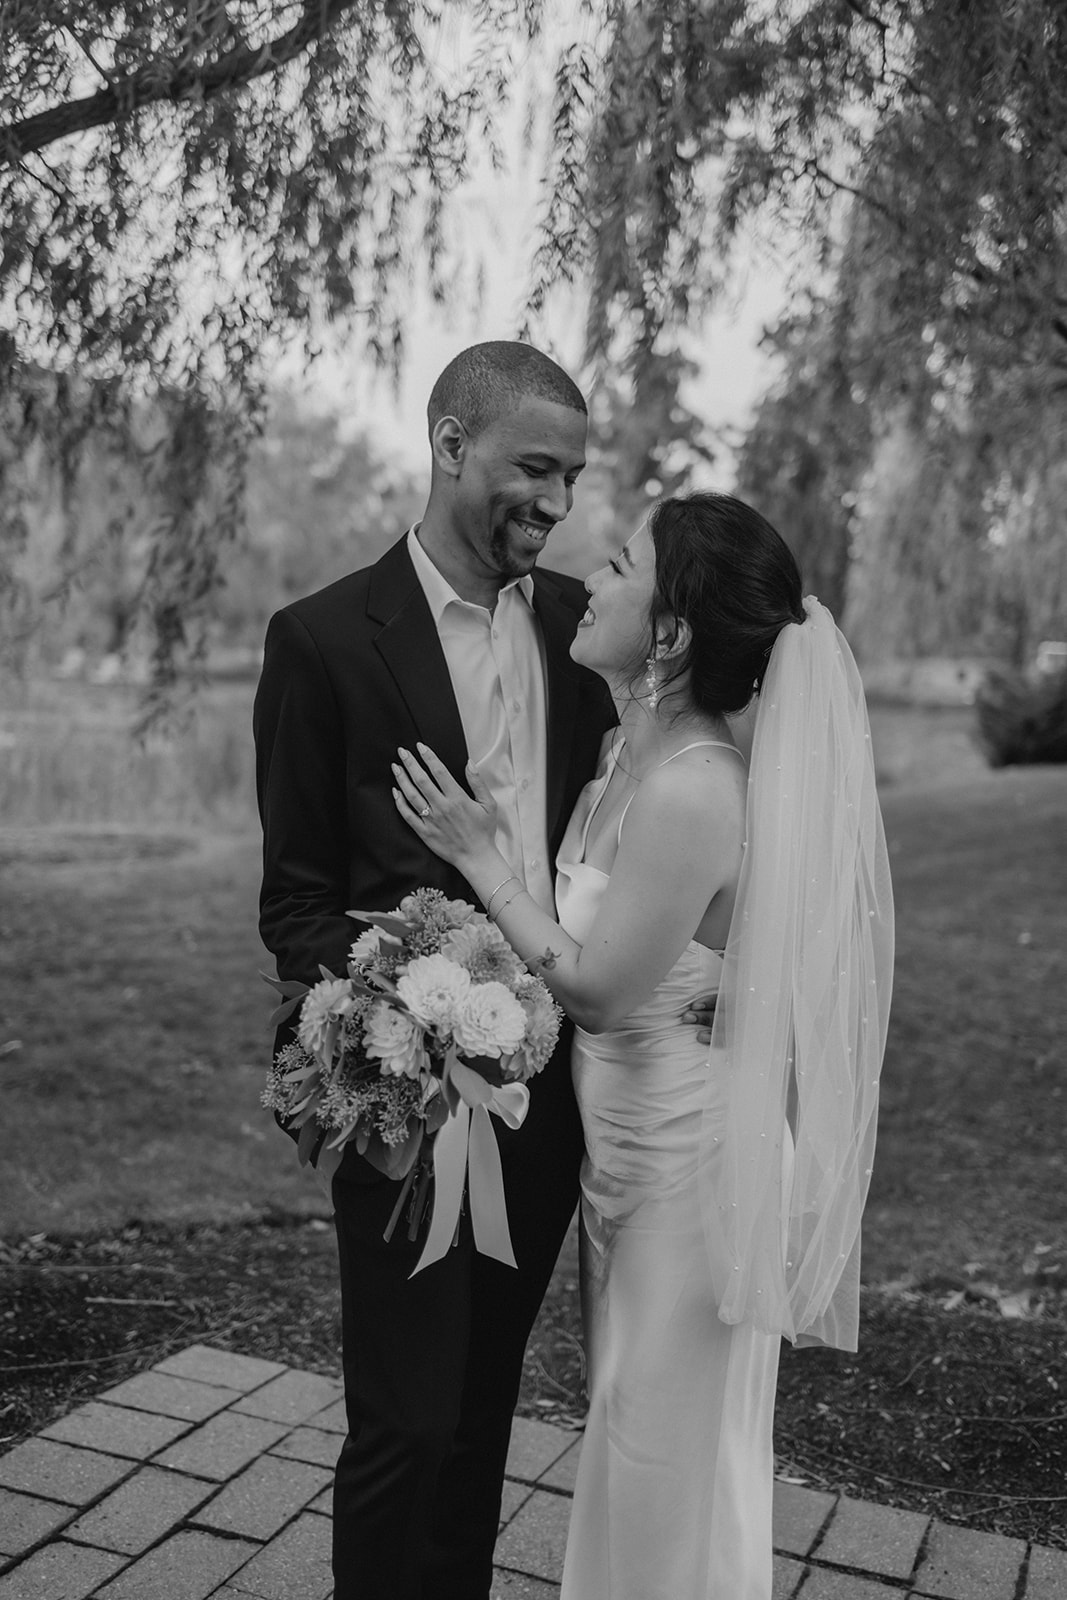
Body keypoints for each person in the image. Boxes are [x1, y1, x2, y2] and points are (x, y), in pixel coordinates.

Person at [254, 341, 717, 1598]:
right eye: (532, 468)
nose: (557, 504)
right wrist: (361, 1035)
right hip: (407, 1106)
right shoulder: (322, 643)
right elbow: (295, 901)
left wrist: (726, 949)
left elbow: (694, 763)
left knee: (477, 1415)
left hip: (557, 1097)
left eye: (571, 478)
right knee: (402, 1423)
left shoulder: (584, 626)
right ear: (451, 445)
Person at [394, 490, 895, 1600]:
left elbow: (605, 990)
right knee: (631, 1437)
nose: (591, 573)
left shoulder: (693, 788)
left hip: (690, 1167)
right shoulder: (625, 754)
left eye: (619, 564)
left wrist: (482, 861)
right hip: (621, 1157)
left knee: (657, 1450)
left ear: (667, 632)